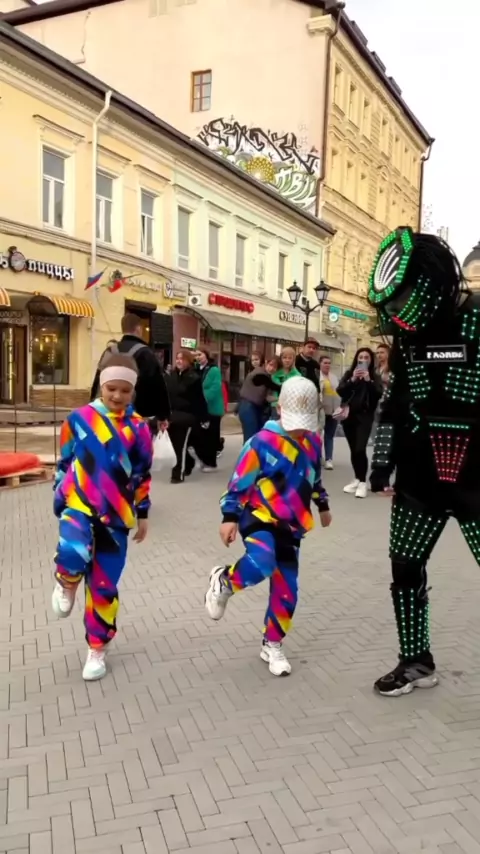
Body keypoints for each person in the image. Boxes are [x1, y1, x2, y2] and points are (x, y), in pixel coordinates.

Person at [367, 226, 480, 697]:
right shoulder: (408, 338)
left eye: (401, 300)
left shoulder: (477, 320)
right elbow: (394, 402)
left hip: (477, 478)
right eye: (390, 306)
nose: (395, 314)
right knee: (405, 567)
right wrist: (380, 463)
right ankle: (415, 660)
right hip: (420, 477)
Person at [204, 376, 332, 676]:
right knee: (262, 561)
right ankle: (224, 581)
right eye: (295, 422)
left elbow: (314, 478)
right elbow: (239, 482)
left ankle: (272, 643)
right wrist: (229, 516)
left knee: (287, 590)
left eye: (305, 423)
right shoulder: (261, 443)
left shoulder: (312, 442)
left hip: (292, 524)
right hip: (259, 516)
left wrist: (323, 505)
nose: (299, 430)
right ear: (280, 408)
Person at [51, 354, 152, 681]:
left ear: (133, 391)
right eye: (111, 388)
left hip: (116, 516)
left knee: (104, 587)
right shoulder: (79, 419)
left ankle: (97, 648)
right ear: (101, 386)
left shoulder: (139, 427)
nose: (117, 396)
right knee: (72, 553)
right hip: (79, 504)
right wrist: (59, 496)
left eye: (125, 390)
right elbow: (64, 461)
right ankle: (66, 582)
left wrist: (143, 512)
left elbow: (142, 473)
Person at [91, 313, 170, 433]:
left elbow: (97, 380)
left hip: (107, 417)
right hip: (136, 418)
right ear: (138, 329)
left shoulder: (109, 351)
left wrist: (92, 406)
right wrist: (163, 416)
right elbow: (158, 386)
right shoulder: (146, 353)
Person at [337, 348, 383, 498]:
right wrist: (352, 380)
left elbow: (378, 394)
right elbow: (340, 390)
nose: (363, 360)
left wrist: (368, 380)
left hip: (365, 417)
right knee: (353, 450)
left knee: (360, 449)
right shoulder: (349, 374)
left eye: (366, 357)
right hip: (349, 416)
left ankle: (363, 482)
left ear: (371, 360)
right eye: (360, 357)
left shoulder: (374, 376)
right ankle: (357, 478)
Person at [166, 350, 209, 483]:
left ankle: (177, 474)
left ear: (188, 361)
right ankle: (188, 462)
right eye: (177, 358)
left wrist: (204, 418)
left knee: (180, 444)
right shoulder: (171, 376)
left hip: (187, 416)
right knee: (174, 444)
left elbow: (200, 400)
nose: (179, 361)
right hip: (172, 415)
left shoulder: (193, 378)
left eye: (182, 359)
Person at [196, 349, 225, 472]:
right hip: (200, 408)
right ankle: (204, 460)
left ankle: (211, 463)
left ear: (206, 355)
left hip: (212, 408)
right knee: (202, 436)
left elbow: (215, 387)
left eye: (200, 354)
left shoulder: (214, 370)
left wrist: (203, 397)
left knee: (211, 436)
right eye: (196, 355)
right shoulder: (197, 369)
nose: (198, 357)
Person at [237, 355, 270, 442]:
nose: (254, 362)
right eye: (253, 360)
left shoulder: (253, 372)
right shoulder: (260, 373)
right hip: (249, 407)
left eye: (256, 359)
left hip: (247, 407)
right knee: (251, 438)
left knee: (250, 437)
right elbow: (264, 395)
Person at [319, 355, 339, 469]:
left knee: (329, 436)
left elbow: (338, 392)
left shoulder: (333, 377)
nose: (327, 365)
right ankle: (318, 457)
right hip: (321, 410)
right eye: (325, 363)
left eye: (329, 363)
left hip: (333, 411)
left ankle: (329, 459)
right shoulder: (318, 376)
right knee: (318, 435)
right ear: (320, 364)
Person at [269, 347, 301, 419]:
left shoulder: (297, 375)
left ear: (293, 360)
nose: (287, 360)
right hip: (275, 405)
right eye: (284, 357)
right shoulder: (274, 372)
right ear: (281, 359)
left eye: (290, 358)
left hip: (290, 407)